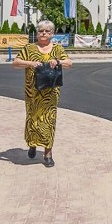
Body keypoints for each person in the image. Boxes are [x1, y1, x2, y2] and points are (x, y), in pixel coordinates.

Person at [12, 19, 73, 168]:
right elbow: (15, 63)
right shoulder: (29, 48)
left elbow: (69, 64)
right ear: (37, 33)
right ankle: (32, 144)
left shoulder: (57, 49)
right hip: (32, 92)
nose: (43, 33)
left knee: (49, 121)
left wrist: (57, 61)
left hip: (50, 92)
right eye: (41, 31)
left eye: (47, 31)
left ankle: (48, 153)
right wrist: (30, 63)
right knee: (32, 118)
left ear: (52, 33)